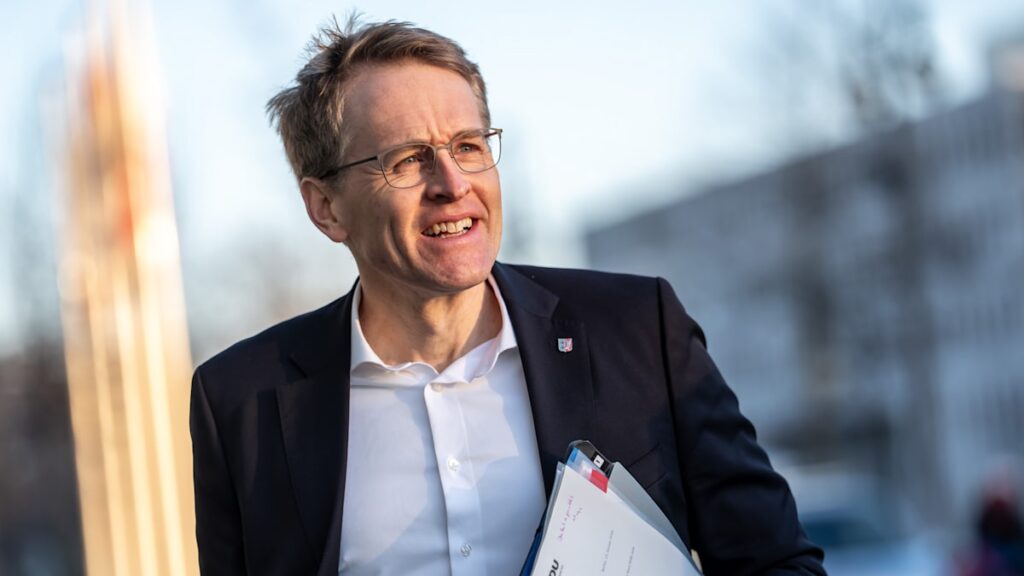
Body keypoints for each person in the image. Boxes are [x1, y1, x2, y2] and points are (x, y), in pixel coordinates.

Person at [190, 17, 826, 576]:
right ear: (326, 207)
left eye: (468, 147)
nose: (452, 183)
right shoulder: (241, 403)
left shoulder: (638, 332)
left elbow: (777, 563)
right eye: (407, 160)